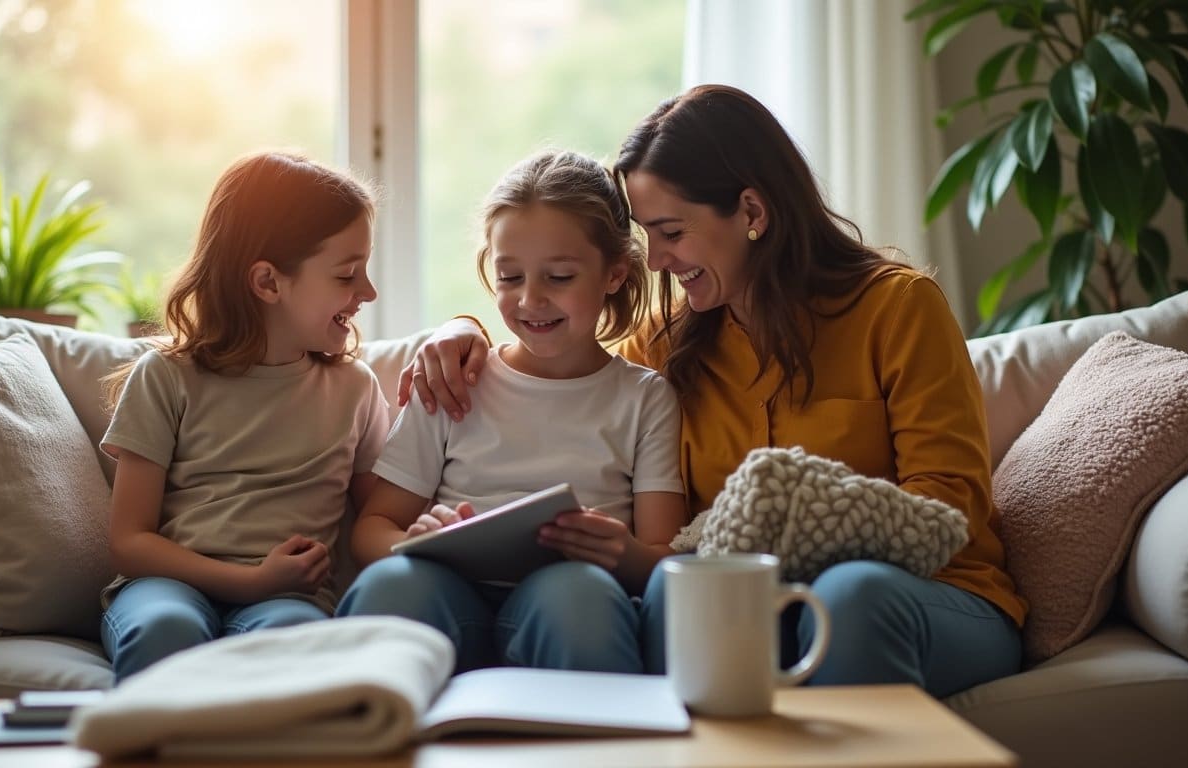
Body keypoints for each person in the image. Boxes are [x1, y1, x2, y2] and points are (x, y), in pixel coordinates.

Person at [397, 85, 1026, 698]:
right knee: (677, 587)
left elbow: (948, 506)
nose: (656, 260)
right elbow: (566, 358)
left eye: (671, 232)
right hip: (758, 604)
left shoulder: (898, 307)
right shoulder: (669, 341)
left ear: (751, 213)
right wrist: (463, 330)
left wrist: (787, 530)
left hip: (930, 594)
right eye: (647, 235)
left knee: (850, 594)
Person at [337, 150, 688, 674]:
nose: (531, 300)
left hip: (572, 603)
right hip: (451, 596)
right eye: (510, 277)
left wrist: (625, 553)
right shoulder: (456, 378)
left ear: (614, 274)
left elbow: (664, 557)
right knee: (392, 585)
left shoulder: (644, 398)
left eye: (560, 277)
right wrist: (413, 543)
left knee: (576, 595)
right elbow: (373, 527)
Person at [98, 152, 388, 681]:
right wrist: (250, 581)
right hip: (168, 588)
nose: (368, 292)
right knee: (164, 629)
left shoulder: (354, 389)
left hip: (289, 601)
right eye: (348, 274)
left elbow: (381, 521)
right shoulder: (166, 376)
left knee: (295, 639)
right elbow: (129, 541)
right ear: (268, 282)